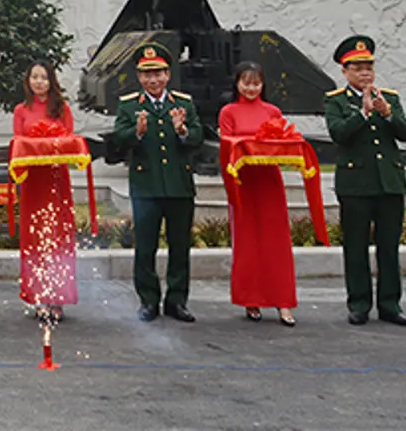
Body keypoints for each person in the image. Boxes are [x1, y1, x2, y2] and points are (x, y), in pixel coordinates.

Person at [324, 35, 406, 327]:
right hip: (356, 184)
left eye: (368, 67)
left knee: (389, 247)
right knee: (356, 245)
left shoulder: (388, 97)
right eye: (357, 67)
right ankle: (359, 303)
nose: (364, 73)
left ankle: (390, 304)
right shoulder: (337, 101)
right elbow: (338, 133)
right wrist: (363, 113)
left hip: (388, 182)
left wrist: (387, 113)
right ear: (345, 71)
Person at [112, 41, 202, 323]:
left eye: (159, 73)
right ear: (139, 77)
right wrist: (136, 133)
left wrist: (183, 130)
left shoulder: (183, 103)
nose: (153, 80)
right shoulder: (129, 106)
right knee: (146, 247)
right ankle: (148, 300)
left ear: (167, 74)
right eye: (147, 75)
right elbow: (118, 140)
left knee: (180, 247)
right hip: (146, 187)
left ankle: (177, 301)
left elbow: (199, 138)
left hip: (178, 185)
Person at [218, 61, 299, 326]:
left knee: (277, 242)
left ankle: (283, 302)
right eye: (246, 82)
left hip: (269, 182)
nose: (251, 88)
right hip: (244, 182)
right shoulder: (228, 112)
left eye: (256, 83)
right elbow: (227, 146)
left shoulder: (272, 110)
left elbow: (281, 141)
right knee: (247, 243)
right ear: (237, 83)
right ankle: (251, 300)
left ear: (263, 85)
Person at [11, 60, 77, 321]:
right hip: (32, 182)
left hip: (56, 180)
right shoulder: (21, 110)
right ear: (28, 81)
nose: (39, 82)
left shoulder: (61, 108)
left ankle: (58, 296)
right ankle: (39, 295)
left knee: (58, 236)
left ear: (52, 81)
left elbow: (70, 140)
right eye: (34, 77)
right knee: (35, 237)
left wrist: (50, 144)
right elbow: (18, 142)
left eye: (44, 77)